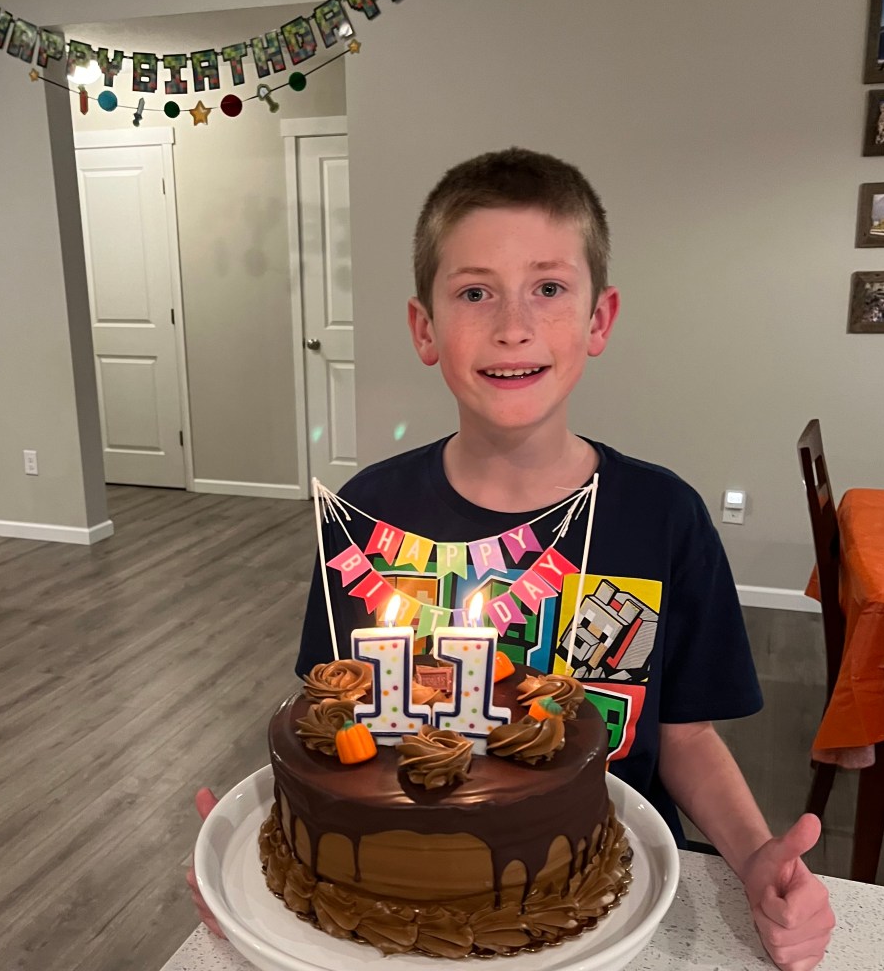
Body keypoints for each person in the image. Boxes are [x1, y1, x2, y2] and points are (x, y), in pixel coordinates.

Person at [190, 148, 834, 971]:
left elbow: (686, 736)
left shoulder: (662, 516)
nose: (513, 326)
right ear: (425, 328)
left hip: (613, 908)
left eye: (549, 288)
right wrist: (251, 859)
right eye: (474, 292)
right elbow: (331, 714)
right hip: (381, 935)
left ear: (599, 319)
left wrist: (752, 858)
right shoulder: (365, 517)